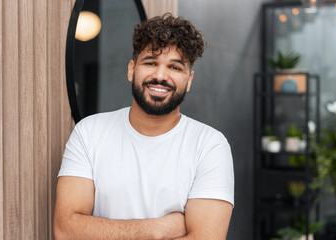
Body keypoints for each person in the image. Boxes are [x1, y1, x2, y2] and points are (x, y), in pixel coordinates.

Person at [54, 13, 234, 240]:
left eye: (175, 68)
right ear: (132, 69)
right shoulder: (89, 133)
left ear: (189, 80)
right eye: (151, 63)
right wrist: (160, 229)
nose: (160, 76)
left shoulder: (209, 146)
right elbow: (66, 230)